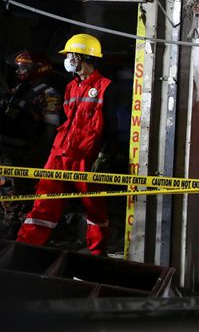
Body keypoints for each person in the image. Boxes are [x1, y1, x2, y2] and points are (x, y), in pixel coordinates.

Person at [17, 34, 117, 255]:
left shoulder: (106, 87)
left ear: (81, 57)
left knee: (94, 209)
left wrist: (103, 157)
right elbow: (66, 121)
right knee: (43, 202)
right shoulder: (71, 86)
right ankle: (23, 250)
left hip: (86, 157)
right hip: (60, 153)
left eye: (70, 55)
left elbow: (111, 128)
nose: (68, 59)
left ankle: (98, 256)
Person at [0, 51, 62, 239]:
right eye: (18, 66)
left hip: (25, 152)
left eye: (25, 67)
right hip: (6, 149)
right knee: (5, 189)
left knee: (19, 194)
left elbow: (51, 128)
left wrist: (39, 155)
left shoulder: (49, 93)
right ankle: (9, 227)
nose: (20, 70)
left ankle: (17, 234)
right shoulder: (19, 89)